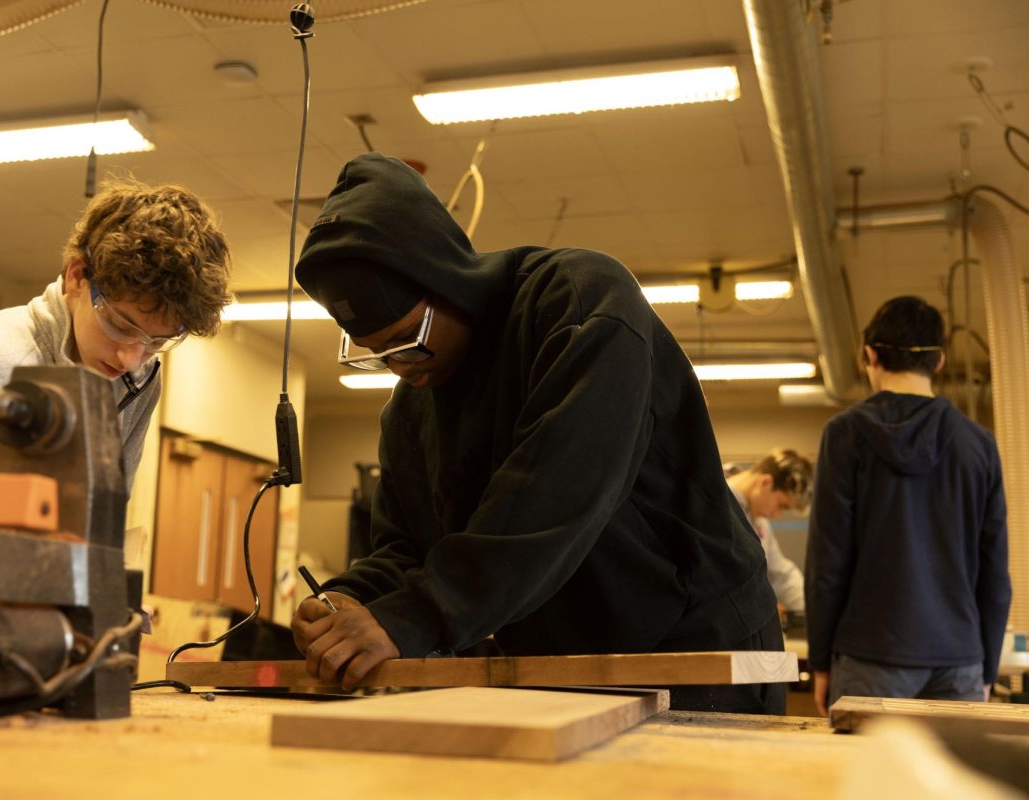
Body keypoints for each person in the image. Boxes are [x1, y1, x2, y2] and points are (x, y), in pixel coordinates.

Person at [290, 152, 784, 714]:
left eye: (408, 338)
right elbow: (407, 547)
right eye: (378, 354)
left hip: (696, 645)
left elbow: (557, 492)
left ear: (446, 278)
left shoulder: (578, 304)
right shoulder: (410, 412)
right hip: (565, 663)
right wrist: (352, 600)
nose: (400, 366)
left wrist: (415, 616)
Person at [0, 178, 232, 701]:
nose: (131, 357)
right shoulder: (0, 363)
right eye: (121, 326)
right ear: (76, 277)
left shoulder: (139, 376)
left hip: (44, 645)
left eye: (158, 341)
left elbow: (102, 519)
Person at [806, 295, 1011, 716]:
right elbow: (994, 572)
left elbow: (827, 565)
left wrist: (821, 662)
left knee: (865, 780)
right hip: (959, 661)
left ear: (870, 356)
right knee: (953, 784)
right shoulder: (979, 444)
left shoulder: (844, 435)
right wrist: (987, 666)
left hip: (869, 655)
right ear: (939, 362)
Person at [725, 449, 812, 616]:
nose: (777, 515)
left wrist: (813, 611)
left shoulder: (758, 520)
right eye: (781, 505)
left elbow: (780, 573)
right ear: (765, 482)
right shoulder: (714, 502)